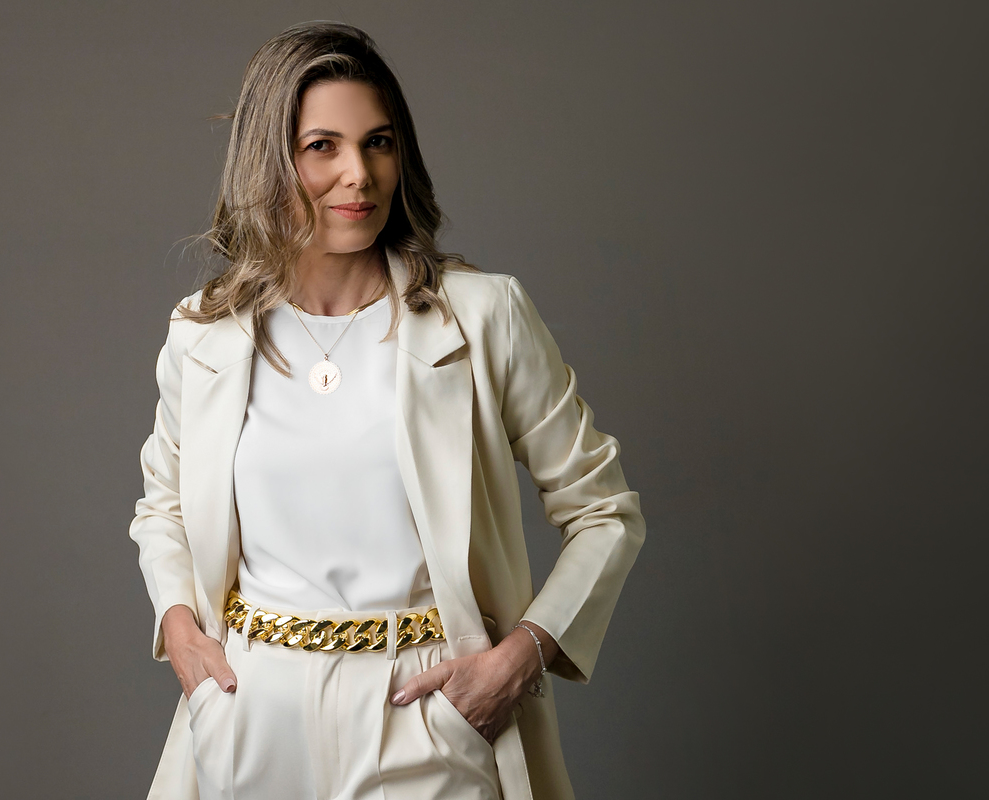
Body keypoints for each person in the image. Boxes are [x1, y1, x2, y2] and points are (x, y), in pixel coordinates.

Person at [128, 20, 645, 800]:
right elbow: (163, 506)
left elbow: (604, 512)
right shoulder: (204, 333)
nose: (359, 175)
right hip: (251, 713)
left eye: (378, 143)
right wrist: (180, 631)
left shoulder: (482, 316)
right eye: (322, 147)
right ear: (268, 161)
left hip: (426, 711)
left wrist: (516, 662)